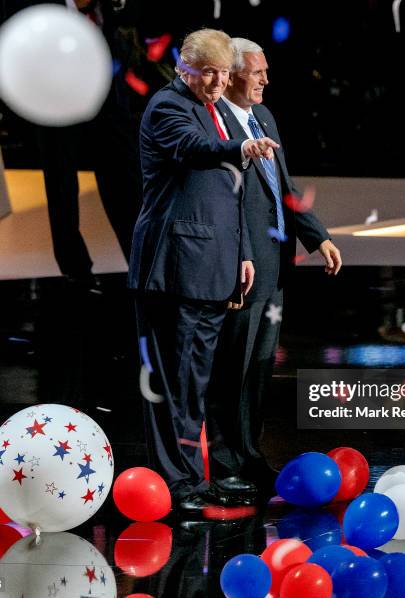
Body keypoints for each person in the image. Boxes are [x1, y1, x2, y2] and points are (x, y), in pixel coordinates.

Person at [128, 29, 280, 512]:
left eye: (222, 73)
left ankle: (196, 479)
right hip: (173, 269)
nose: (216, 82)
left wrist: (243, 254)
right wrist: (239, 149)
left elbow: (227, 194)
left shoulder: (213, 108)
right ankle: (177, 485)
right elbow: (194, 148)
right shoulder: (168, 106)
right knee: (174, 385)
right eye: (206, 73)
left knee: (197, 383)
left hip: (214, 267)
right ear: (183, 69)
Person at [204, 38, 342, 504]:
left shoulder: (264, 117)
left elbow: (284, 188)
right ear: (232, 72)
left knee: (258, 371)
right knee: (232, 372)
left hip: (273, 266)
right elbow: (221, 205)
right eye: (257, 71)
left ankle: (247, 455)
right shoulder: (215, 123)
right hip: (240, 266)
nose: (265, 79)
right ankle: (224, 467)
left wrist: (316, 236)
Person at [31, 0, 142, 291]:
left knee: (124, 174)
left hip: (105, 89)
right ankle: (74, 270)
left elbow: (130, 17)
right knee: (61, 180)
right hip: (55, 92)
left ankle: (141, 260)